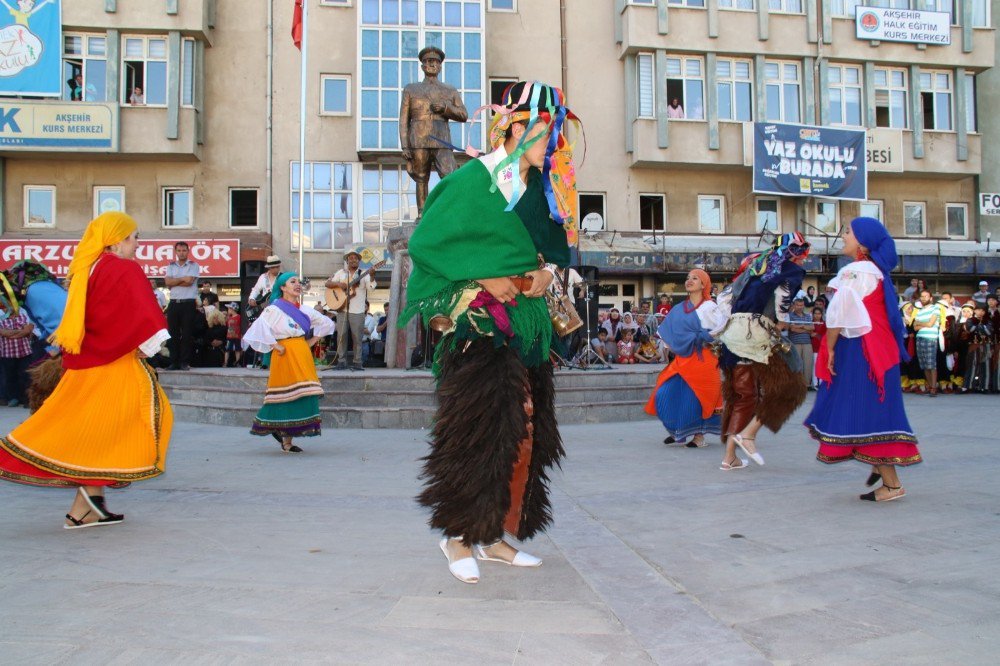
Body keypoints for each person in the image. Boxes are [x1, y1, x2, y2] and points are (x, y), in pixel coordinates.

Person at [401, 80, 581, 584]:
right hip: (477, 324)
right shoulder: (468, 181)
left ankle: (494, 534)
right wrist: (483, 275)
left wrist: (545, 274)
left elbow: (553, 256)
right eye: (547, 132)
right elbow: (429, 245)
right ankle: (458, 535)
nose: (555, 143)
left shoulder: (541, 192)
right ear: (517, 128)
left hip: (526, 325)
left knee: (524, 429)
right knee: (477, 428)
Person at [0, 212, 173, 528]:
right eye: (134, 238)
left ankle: (87, 507)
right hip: (112, 363)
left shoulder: (87, 268)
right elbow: (143, 312)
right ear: (118, 240)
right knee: (141, 417)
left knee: (96, 430)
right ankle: (86, 505)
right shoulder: (123, 268)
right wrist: (151, 345)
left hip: (86, 363)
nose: (137, 245)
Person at [805, 217, 920, 502]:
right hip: (878, 352)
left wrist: (830, 349)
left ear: (863, 243)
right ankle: (882, 472)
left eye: (847, 232)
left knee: (866, 414)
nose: (842, 236)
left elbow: (837, 315)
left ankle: (892, 483)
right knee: (870, 411)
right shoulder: (875, 271)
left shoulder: (856, 271)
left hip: (862, 352)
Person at [716, 232, 811, 470]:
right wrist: (780, 320)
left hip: (734, 335)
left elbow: (723, 302)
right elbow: (783, 294)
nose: (804, 260)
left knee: (743, 396)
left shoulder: (750, 274)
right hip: (755, 333)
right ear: (794, 252)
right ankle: (748, 434)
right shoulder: (789, 269)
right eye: (803, 253)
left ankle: (730, 457)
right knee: (793, 386)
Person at [242, 273, 334, 453]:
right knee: (285, 395)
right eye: (292, 282)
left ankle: (288, 439)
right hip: (284, 354)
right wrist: (275, 345)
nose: (297, 285)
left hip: (301, 352)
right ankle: (285, 441)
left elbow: (327, 323)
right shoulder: (274, 309)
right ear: (282, 287)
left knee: (303, 394)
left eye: (298, 282)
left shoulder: (306, 310)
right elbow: (256, 330)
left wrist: (312, 341)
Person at [645, 269, 724, 450]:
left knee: (697, 398)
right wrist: (678, 344)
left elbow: (721, 331)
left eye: (695, 278)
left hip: (704, 358)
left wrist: (706, 337)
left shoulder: (710, 307)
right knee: (664, 392)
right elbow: (667, 332)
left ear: (704, 284)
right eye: (688, 278)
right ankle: (678, 430)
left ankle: (698, 437)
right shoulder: (679, 308)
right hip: (683, 358)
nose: (689, 281)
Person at [399, 46, 469, 214]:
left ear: (440, 66)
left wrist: (446, 108)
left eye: (436, 61)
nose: (432, 64)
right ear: (422, 66)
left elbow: (463, 114)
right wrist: (405, 146)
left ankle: (452, 212)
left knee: (450, 175)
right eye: (428, 61)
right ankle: (422, 214)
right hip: (418, 140)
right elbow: (403, 120)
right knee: (421, 178)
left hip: (442, 140)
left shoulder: (449, 90)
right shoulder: (411, 89)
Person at [326, 251, 376, 371]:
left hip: (358, 310)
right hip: (342, 309)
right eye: (350, 258)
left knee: (357, 337)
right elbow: (328, 283)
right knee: (341, 336)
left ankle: (357, 362)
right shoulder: (341, 273)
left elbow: (371, 288)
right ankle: (341, 361)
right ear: (347, 261)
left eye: (356, 258)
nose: (353, 260)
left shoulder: (364, 274)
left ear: (359, 261)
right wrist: (339, 284)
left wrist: (373, 276)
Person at [164, 241, 200, 371]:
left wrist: (175, 282)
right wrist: (181, 279)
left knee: (186, 333)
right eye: (179, 250)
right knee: (172, 333)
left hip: (188, 303)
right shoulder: (171, 265)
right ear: (176, 252)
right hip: (174, 303)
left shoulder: (193, 265)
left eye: (184, 250)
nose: (181, 253)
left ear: (188, 251)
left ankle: (184, 362)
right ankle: (174, 362)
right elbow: (167, 282)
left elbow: (189, 282)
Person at [0, 308, 34, 407]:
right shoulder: (1, 315)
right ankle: (13, 398)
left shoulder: (24, 313)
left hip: (25, 351)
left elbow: (28, 330)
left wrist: (12, 333)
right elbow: (3, 333)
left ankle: (27, 399)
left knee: (26, 375)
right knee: (10, 376)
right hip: (7, 353)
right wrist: (20, 332)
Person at [912, 289, 941, 397]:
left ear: (931, 298)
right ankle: (930, 386)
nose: (923, 298)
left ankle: (934, 387)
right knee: (924, 364)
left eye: (926, 296)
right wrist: (922, 323)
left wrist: (920, 323)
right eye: (922, 296)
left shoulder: (935, 308)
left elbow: (930, 324)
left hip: (930, 338)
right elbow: (915, 327)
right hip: (919, 338)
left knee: (931, 364)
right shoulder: (919, 311)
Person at [787, 297, 814, 389]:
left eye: (801, 305)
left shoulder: (808, 316)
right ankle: (797, 385)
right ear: (794, 305)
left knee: (808, 364)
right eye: (798, 305)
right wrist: (805, 327)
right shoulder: (790, 316)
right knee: (797, 364)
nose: (800, 307)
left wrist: (800, 327)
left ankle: (806, 384)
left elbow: (812, 328)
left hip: (807, 342)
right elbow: (792, 329)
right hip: (795, 343)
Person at [809, 307, 826, 389]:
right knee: (814, 365)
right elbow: (809, 334)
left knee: (822, 365)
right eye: (815, 313)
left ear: (821, 314)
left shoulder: (824, 324)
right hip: (813, 347)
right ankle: (815, 383)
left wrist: (816, 335)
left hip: (822, 348)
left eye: (819, 313)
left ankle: (822, 382)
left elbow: (826, 335)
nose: (817, 315)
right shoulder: (810, 323)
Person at [223, 302, 242, 368]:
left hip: (237, 336)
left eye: (229, 309)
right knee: (227, 349)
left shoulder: (239, 317)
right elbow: (226, 325)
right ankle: (225, 362)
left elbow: (240, 326)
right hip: (229, 336)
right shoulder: (229, 318)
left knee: (237, 349)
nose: (228, 310)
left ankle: (238, 362)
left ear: (232, 309)